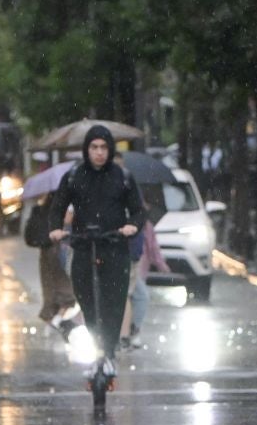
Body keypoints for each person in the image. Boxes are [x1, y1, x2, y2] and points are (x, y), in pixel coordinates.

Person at [43, 126, 146, 383]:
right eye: (94, 147)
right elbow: (57, 207)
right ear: (86, 150)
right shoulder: (74, 176)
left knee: (114, 302)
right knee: (87, 301)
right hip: (84, 247)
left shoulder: (123, 177)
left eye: (103, 148)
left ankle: (109, 352)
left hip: (115, 248)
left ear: (110, 150)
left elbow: (138, 211)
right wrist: (56, 229)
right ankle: (98, 348)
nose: (99, 153)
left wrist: (131, 226)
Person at [25, 192, 78, 327]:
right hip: (61, 250)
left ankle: (52, 321)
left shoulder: (42, 208)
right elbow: (68, 223)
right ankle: (58, 321)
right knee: (65, 292)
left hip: (46, 252)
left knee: (50, 291)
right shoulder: (65, 206)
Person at [123, 219, 165, 349]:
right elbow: (153, 248)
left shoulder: (145, 225)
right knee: (139, 297)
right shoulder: (135, 222)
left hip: (136, 266)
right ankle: (129, 332)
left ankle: (129, 332)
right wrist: (161, 265)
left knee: (134, 297)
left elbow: (152, 248)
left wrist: (161, 265)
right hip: (129, 264)